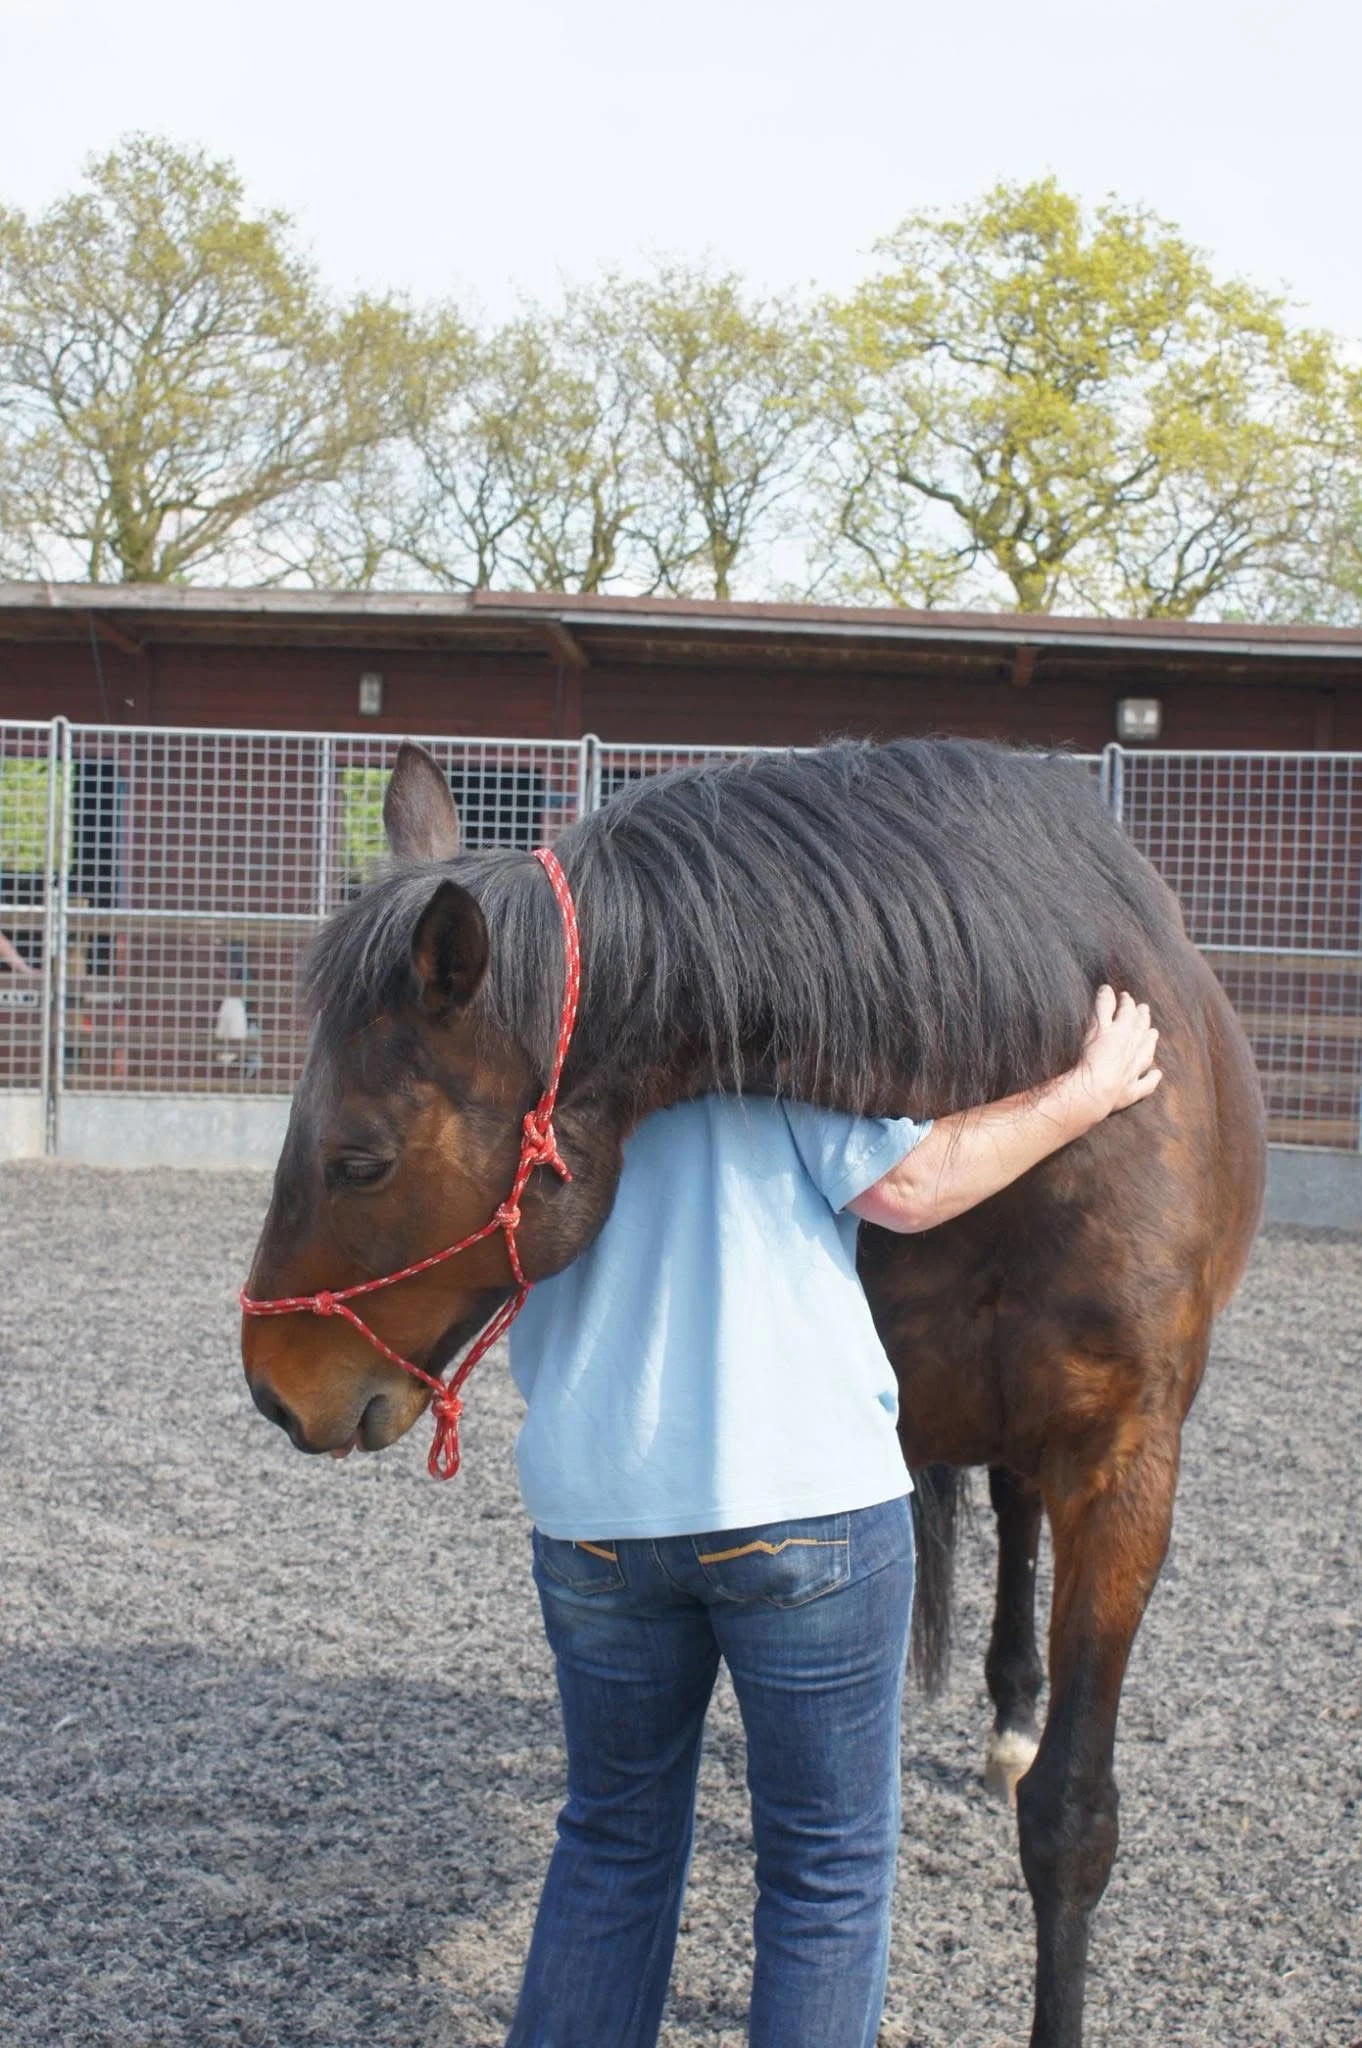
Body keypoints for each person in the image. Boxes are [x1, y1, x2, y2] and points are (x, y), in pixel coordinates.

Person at [505, 987, 1162, 2048]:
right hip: (802, 1502)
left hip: (594, 1508)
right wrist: (1085, 1090)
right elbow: (910, 1182)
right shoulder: (755, 1034)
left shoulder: (531, 1045)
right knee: (824, 1871)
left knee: (610, 1842)